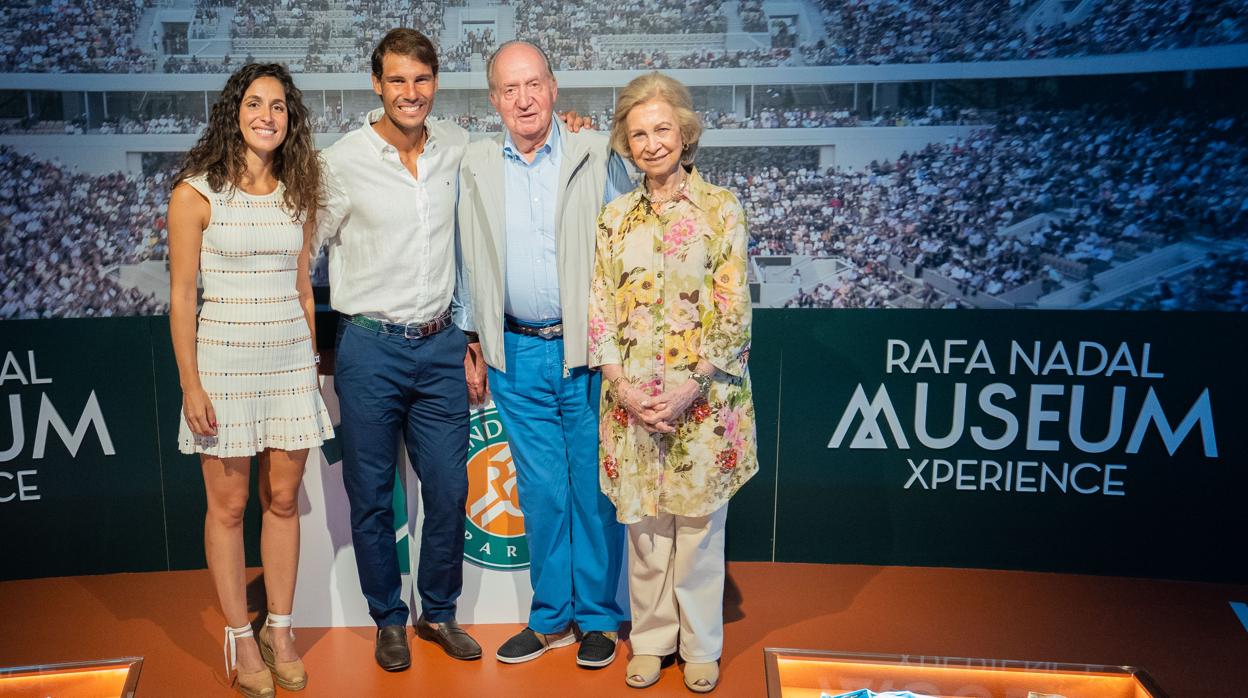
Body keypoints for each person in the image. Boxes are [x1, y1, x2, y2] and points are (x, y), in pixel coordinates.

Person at [457, 40, 634, 668]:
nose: (524, 99)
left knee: (591, 490)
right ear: (494, 100)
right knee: (541, 493)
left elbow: (629, 245)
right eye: (510, 89)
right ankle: (550, 617)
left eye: (534, 84)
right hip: (517, 355)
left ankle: (597, 618)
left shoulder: (597, 153)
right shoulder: (474, 163)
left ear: (555, 89)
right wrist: (470, 336)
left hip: (588, 354)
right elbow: (463, 255)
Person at [314, 28, 482, 670]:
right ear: (377, 86)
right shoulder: (341, 160)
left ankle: (437, 612)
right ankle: (387, 617)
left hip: (441, 346)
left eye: (421, 79)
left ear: (435, 82)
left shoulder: (460, 148)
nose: (410, 93)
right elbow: (305, 248)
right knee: (371, 493)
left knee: (447, 489)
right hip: (368, 347)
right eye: (397, 81)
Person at [589, 72, 758, 693]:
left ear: (685, 133)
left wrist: (693, 383)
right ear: (625, 143)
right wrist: (621, 384)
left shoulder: (721, 209)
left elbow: (734, 307)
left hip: (704, 402)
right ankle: (653, 640)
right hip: (631, 402)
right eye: (638, 133)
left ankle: (701, 644)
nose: (652, 142)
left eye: (662, 129)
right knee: (645, 534)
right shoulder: (612, 219)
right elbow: (599, 305)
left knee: (698, 533)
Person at [169, 63, 333, 698]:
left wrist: (310, 370)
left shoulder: (299, 191)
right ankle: (241, 636)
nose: (268, 116)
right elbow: (183, 299)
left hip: (289, 364)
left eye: (280, 107)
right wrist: (191, 385)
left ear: (290, 119)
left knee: (284, 502)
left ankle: (281, 629)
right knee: (230, 507)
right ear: (234, 111)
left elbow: (302, 291)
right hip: (223, 369)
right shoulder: (195, 193)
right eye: (256, 103)